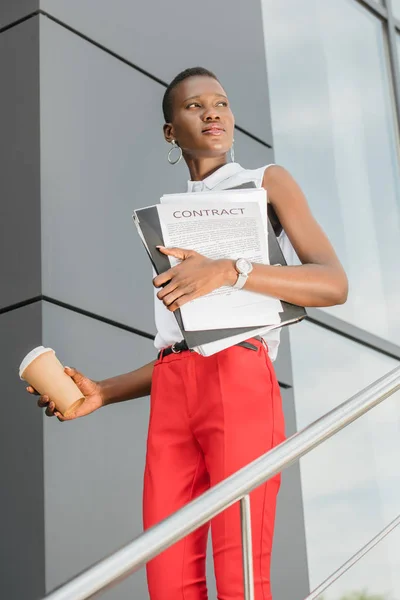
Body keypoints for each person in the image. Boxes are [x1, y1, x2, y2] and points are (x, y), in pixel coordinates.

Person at [28, 67, 348, 600]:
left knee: (239, 565)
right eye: (194, 106)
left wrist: (229, 269)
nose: (213, 112)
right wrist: (103, 392)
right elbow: (180, 346)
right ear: (170, 132)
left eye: (220, 102)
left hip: (240, 374)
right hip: (173, 388)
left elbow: (333, 284)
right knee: (167, 575)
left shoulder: (265, 180)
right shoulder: (167, 223)